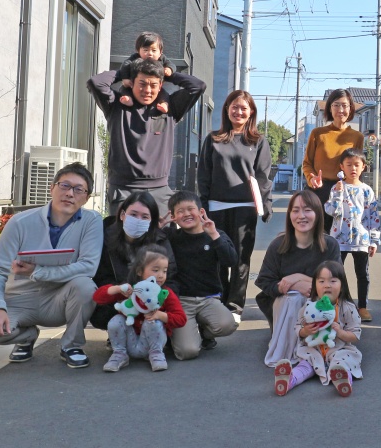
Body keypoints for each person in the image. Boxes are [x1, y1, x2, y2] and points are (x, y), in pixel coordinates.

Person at [0, 162, 102, 368]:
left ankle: (71, 345)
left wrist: (38, 271)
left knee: (85, 286)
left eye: (79, 189)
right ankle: (27, 336)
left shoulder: (91, 221)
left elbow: (88, 266)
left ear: (86, 198)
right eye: (65, 185)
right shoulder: (20, 222)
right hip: (20, 298)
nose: (70, 193)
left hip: (59, 299)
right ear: (52, 188)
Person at [88, 57, 206, 217]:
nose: (147, 90)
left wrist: (168, 73)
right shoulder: (116, 104)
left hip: (159, 190)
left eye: (153, 85)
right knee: (122, 232)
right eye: (142, 84)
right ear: (132, 83)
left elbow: (198, 86)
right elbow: (96, 82)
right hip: (123, 189)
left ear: (161, 85)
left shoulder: (169, 107)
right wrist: (124, 73)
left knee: (162, 232)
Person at [198, 89, 272, 321]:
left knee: (241, 259)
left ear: (251, 112)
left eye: (243, 108)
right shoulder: (213, 139)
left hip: (245, 208)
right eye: (234, 107)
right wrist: (202, 205)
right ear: (227, 109)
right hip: (216, 207)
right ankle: (218, 301)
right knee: (217, 257)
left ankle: (234, 306)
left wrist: (266, 204)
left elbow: (263, 176)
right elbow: (204, 174)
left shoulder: (258, 141)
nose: (239, 112)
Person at [255, 191, 341, 366]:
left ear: (318, 214)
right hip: (284, 305)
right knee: (294, 298)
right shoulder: (278, 245)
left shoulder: (330, 245)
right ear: (289, 215)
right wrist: (293, 287)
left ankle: (312, 349)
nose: (301, 216)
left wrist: (299, 278)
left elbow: (337, 284)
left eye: (307, 210)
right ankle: (288, 351)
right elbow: (265, 282)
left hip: (321, 305)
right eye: (295, 211)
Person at [164, 191, 239, 360]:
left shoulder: (216, 234)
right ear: (173, 217)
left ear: (201, 211)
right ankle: (184, 335)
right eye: (180, 211)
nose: (186, 214)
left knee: (227, 324)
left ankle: (205, 332)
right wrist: (157, 228)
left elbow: (231, 261)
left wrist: (214, 235)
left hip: (209, 298)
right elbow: (148, 248)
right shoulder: (171, 236)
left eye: (190, 209)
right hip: (181, 301)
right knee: (187, 351)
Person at [273, 261, 362, 397]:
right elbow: (298, 327)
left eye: (333, 281)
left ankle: (343, 378)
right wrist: (305, 331)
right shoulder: (309, 306)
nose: (327, 285)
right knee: (305, 365)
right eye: (321, 281)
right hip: (313, 349)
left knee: (343, 361)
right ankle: (290, 379)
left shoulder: (347, 307)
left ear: (342, 285)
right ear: (315, 285)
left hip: (339, 349)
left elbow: (355, 335)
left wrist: (340, 332)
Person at [93, 245, 186, 372]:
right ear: (139, 271)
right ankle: (119, 354)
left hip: (151, 343)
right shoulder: (131, 290)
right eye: (155, 270)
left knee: (154, 321)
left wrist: (161, 315)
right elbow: (98, 297)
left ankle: (156, 355)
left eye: (164, 271)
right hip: (129, 341)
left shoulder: (164, 293)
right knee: (116, 320)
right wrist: (117, 289)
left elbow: (181, 319)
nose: (160, 275)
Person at [91, 192, 176, 330]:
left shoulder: (159, 241)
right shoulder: (106, 237)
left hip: (151, 301)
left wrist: (157, 300)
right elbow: (101, 276)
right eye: (133, 214)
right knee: (102, 316)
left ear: (152, 220)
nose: (138, 220)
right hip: (120, 299)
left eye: (145, 217)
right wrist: (121, 291)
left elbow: (171, 276)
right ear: (122, 214)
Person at [324, 148, 380, 322]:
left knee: (363, 274)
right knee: (336, 274)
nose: (353, 168)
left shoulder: (367, 190)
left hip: (361, 240)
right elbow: (332, 211)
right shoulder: (336, 188)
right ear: (342, 167)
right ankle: (339, 305)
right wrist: (338, 194)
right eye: (348, 165)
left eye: (356, 165)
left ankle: (362, 307)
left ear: (363, 167)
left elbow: (373, 216)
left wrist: (374, 240)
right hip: (338, 239)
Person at [302, 88, 364, 231]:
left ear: (351, 108)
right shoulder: (318, 134)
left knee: (340, 237)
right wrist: (312, 178)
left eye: (344, 105)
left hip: (344, 192)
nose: (340, 110)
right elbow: (307, 163)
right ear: (330, 108)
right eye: (336, 105)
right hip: (318, 191)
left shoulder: (357, 137)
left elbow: (358, 167)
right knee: (315, 236)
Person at [115, 31, 174, 113]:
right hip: (132, 86)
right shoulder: (135, 58)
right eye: (146, 50)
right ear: (138, 50)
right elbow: (125, 65)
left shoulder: (162, 59)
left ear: (160, 52)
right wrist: (124, 78)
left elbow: (171, 64)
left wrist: (169, 69)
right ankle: (128, 98)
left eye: (154, 50)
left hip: (156, 90)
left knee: (163, 93)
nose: (150, 53)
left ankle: (164, 104)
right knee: (124, 88)